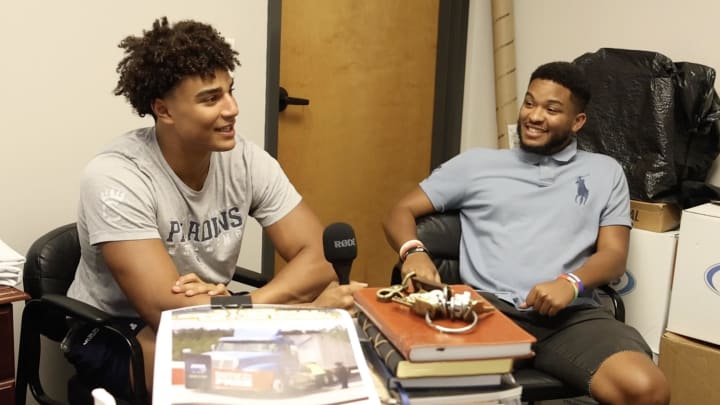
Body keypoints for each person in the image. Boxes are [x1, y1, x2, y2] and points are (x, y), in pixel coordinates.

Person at [64, 17, 364, 400]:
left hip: (212, 307)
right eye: (211, 99)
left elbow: (320, 258)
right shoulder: (115, 176)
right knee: (238, 377)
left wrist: (229, 306)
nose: (232, 109)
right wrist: (289, 311)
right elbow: (167, 313)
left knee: (303, 366)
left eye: (230, 91)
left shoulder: (246, 161)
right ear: (164, 110)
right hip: (115, 326)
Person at [382, 62, 670, 405]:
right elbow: (400, 211)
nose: (534, 116)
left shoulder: (605, 172)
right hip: (486, 311)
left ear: (577, 122)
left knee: (648, 390)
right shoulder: (477, 165)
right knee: (425, 384)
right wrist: (413, 251)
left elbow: (614, 255)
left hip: (569, 318)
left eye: (552, 109)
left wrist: (571, 283)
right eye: (529, 103)